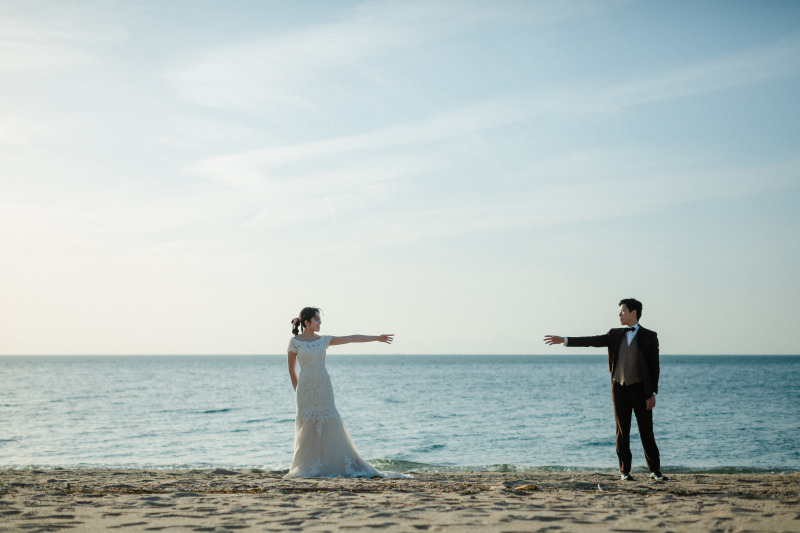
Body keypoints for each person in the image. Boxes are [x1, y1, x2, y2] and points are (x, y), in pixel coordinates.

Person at [543, 298, 666, 482]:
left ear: (634, 313)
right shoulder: (615, 334)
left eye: (622, 310)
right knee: (622, 431)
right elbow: (592, 341)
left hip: (641, 390)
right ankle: (625, 471)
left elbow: (654, 367)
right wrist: (565, 340)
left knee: (646, 431)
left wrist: (652, 394)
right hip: (619, 388)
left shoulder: (650, 336)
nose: (619, 314)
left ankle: (655, 471)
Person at [285, 307, 394, 478]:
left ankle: (332, 462)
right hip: (305, 389)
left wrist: (376, 338)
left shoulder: (324, 340)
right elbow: (292, 371)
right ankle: (307, 464)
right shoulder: (295, 343)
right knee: (307, 424)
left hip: (323, 385)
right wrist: (298, 391)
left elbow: (350, 338)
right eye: (317, 319)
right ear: (307, 323)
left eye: (320, 319)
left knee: (329, 420)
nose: (320, 322)